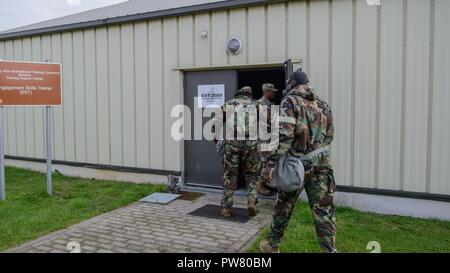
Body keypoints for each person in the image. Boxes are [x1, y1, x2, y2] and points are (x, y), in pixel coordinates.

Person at [259, 69, 337, 253]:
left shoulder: (290, 100)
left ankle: (272, 245)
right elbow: (330, 134)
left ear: (292, 83)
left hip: (297, 165)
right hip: (322, 163)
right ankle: (330, 250)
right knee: (324, 209)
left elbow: (284, 137)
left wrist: (270, 165)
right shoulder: (323, 104)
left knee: (284, 206)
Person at [219, 86, 260, 218]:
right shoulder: (257, 105)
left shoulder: (228, 104)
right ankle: (252, 202)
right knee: (252, 174)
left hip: (233, 143)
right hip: (251, 143)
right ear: (249, 95)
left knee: (230, 175)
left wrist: (216, 137)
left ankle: (226, 208)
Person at [256, 83, 279, 196]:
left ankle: (265, 183)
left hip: (270, 137)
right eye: (272, 91)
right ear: (266, 91)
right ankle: (260, 185)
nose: (275, 93)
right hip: (263, 138)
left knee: (269, 160)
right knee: (264, 162)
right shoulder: (260, 104)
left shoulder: (271, 104)